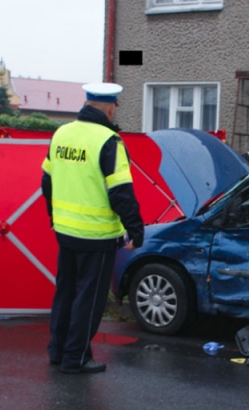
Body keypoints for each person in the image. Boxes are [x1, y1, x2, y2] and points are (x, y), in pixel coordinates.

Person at [41, 82, 144, 374]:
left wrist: (54, 216)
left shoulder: (61, 133)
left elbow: (46, 181)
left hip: (66, 231)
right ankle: (77, 358)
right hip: (97, 235)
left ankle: (58, 352)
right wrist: (135, 230)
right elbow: (121, 192)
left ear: (87, 103)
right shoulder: (109, 141)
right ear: (111, 108)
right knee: (89, 298)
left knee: (66, 293)